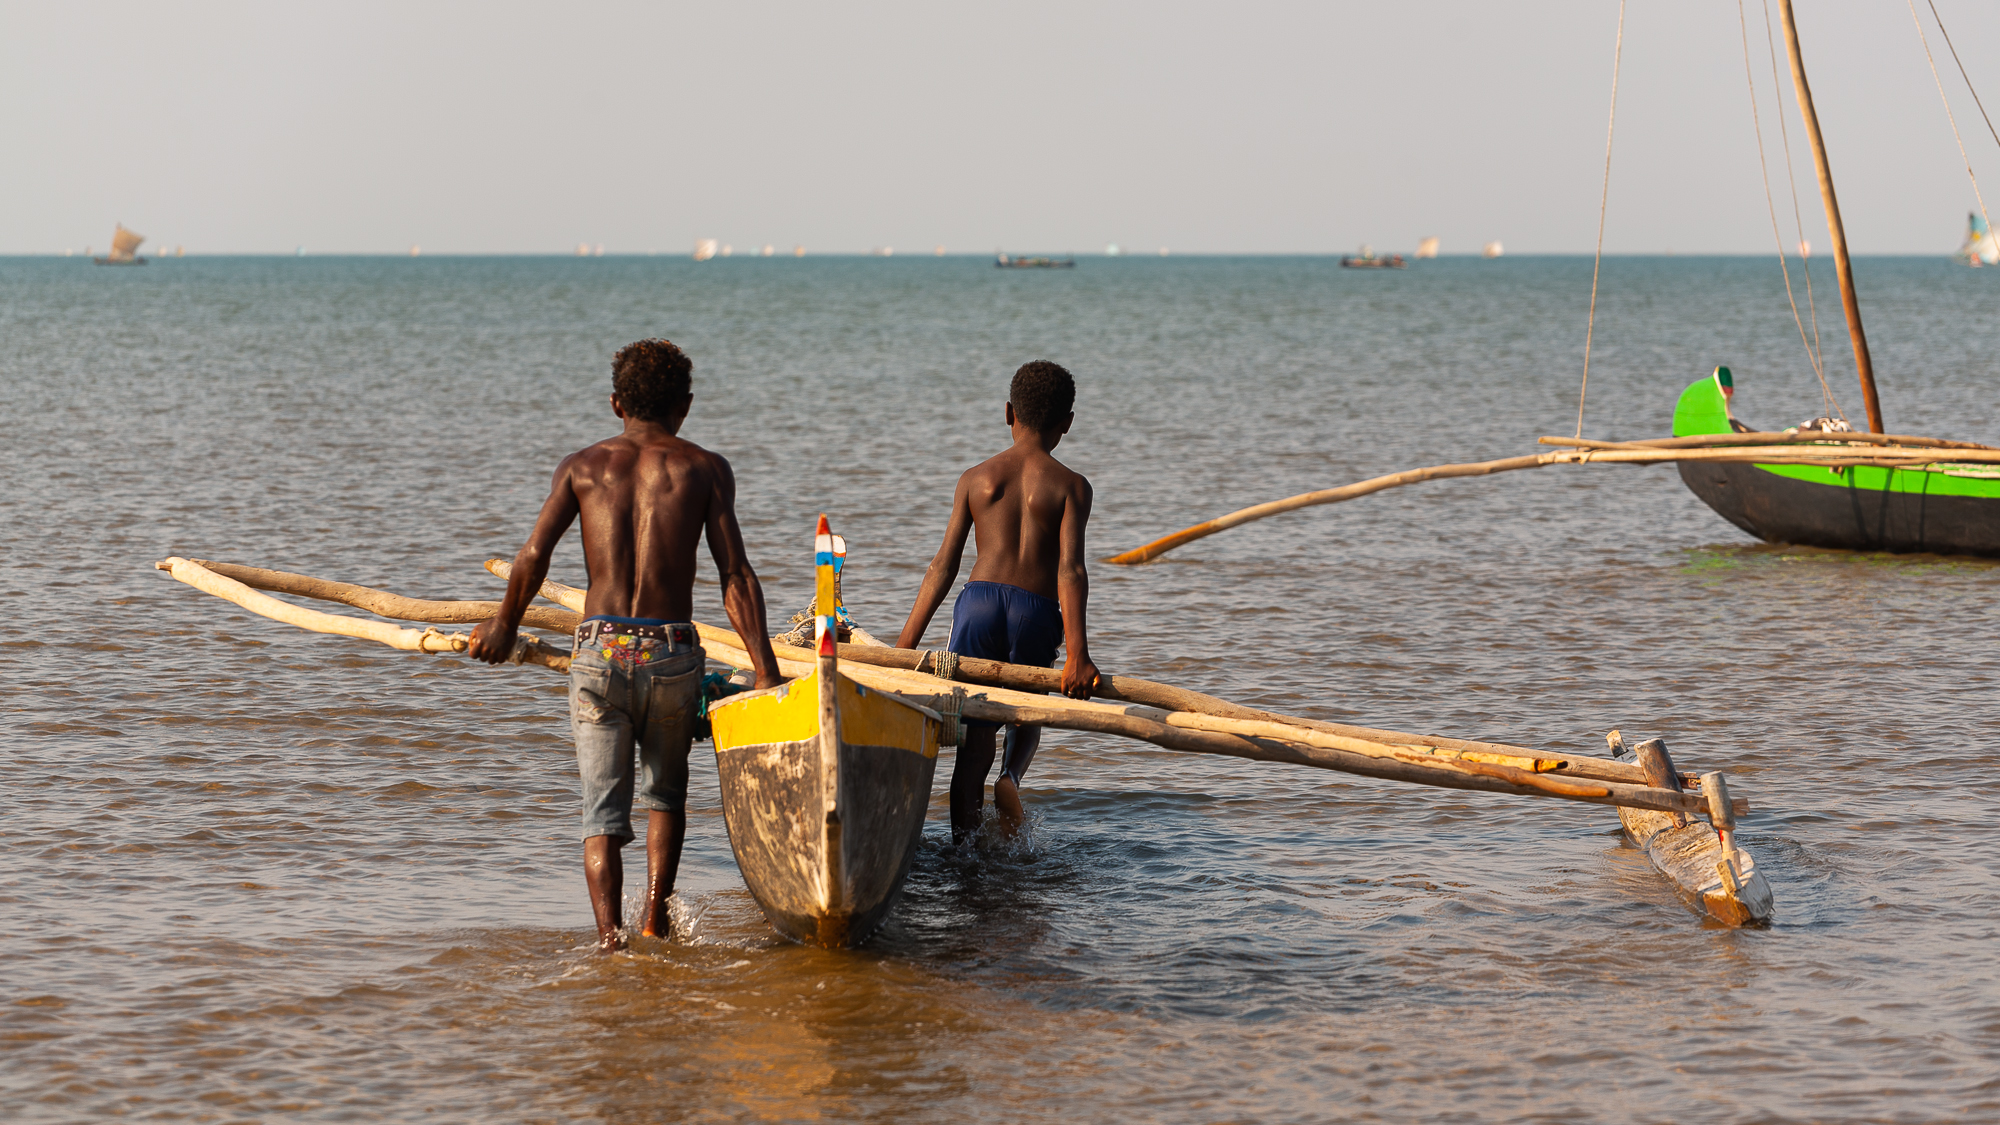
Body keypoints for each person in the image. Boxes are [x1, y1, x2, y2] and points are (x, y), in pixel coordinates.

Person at [469, 339, 782, 951]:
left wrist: (505, 625)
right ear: (685, 407)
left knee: (600, 816)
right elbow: (735, 576)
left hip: (599, 652)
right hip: (671, 654)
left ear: (615, 403)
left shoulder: (582, 466)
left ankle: (610, 942)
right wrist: (765, 672)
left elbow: (534, 556)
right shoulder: (705, 468)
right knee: (666, 795)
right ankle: (653, 918)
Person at [895, 360, 1099, 843]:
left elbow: (942, 567)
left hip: (978, 602)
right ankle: (1010, 778)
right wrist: (1077, 655)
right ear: (1067, 422)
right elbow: (1071, 570)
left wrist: (905, 648)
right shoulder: (1072, 486)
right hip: (1036, 609)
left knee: (977, 723)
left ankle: (966, 856)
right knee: (1026, 705)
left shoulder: (975, 478)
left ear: (1008, 412)